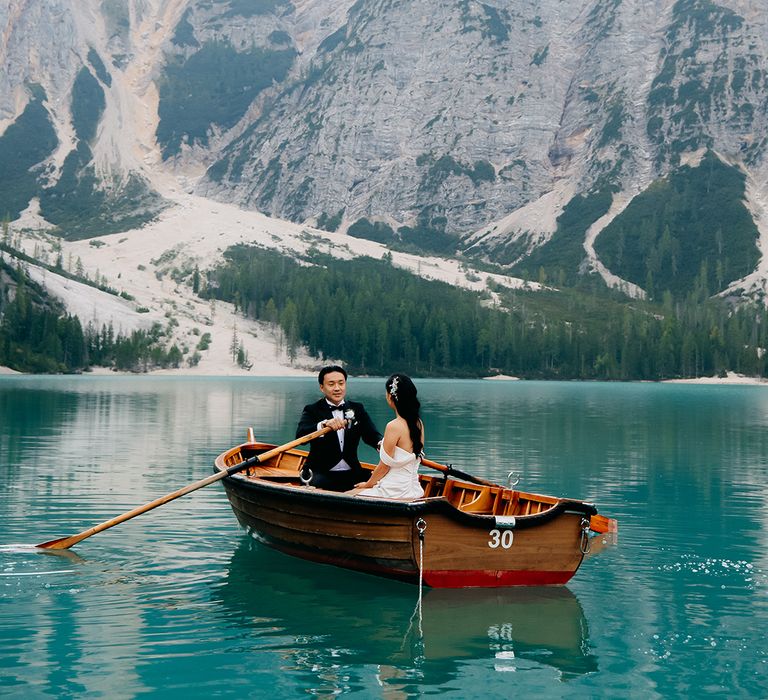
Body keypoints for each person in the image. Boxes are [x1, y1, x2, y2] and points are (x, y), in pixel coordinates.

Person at [296, 365, 383, 491]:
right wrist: (322, 425)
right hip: (320, 473)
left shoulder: (357, 409)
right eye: (331, 384)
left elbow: (371, 435)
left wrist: (382, 444)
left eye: (341, 383)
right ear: (322, 387)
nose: (337, 388)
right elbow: (300, 436)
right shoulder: (312, 410)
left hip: (352, 473)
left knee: (382, 482)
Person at [349, 374, 425, 500]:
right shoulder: (419, 424)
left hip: (393, 491)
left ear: (390, 396)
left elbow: (384, 466)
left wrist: (367, 485)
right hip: (414, 489)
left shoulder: (393, 426)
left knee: (348, 494)